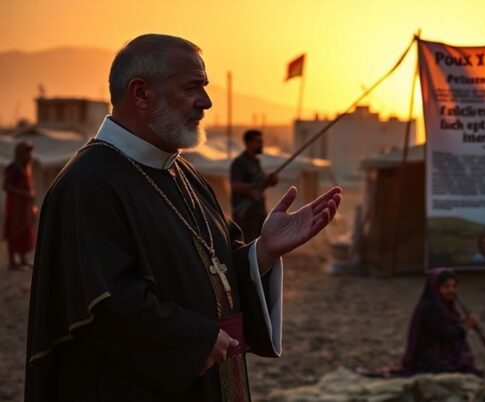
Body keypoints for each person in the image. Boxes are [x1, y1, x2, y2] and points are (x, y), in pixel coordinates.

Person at [24, 34, 342, 402]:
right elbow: (103, 304)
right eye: (192, 88)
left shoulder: (185, 173)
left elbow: (213, 272)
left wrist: (264, 252)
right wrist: (194, 340)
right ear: (141, 93)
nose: (206, 102)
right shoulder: (87, 184)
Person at [400, 268, 482, 375]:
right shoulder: (428, 308)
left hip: (442, 352)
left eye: (454, 286)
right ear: (435, 288)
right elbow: (445, 334)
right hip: (428, 357)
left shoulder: (446, 306)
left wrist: (466, 323)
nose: (451, 290)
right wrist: (466, 326)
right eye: (446, 287)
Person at [230, 129, 278, 242]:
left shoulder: (256, 162)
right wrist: (251, 192)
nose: (261, 145)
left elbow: (260, 183)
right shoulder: (240, 162)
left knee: (261, 242)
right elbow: (235, 184)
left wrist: (270, 180)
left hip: (258, 212)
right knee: (248, 243)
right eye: (258, 142)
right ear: (248, 143)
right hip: (246, 215)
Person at [4, 141, 37, 270]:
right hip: (15, 207)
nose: (29, 155)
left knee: (24, 231)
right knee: (13, 232)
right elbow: (7, 186)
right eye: (26, 152)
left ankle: (23, 259)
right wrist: (23, 193)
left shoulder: (25, 168)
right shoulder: (13, 169)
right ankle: (12, 262)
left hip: (24, 207)